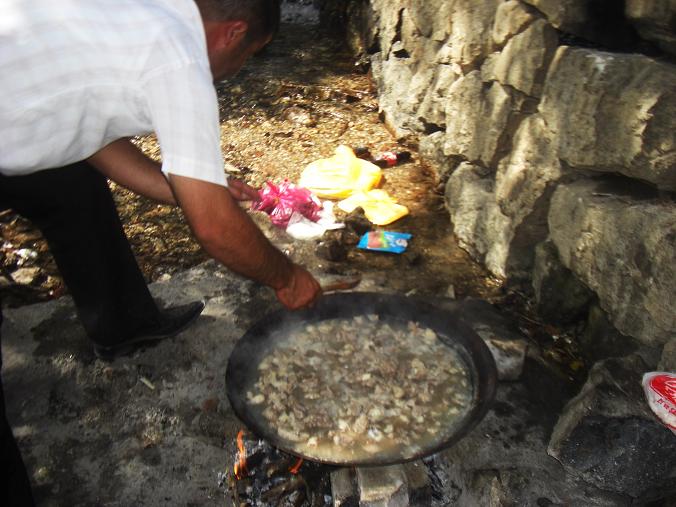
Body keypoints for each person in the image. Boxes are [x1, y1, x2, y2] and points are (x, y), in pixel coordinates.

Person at [0, 0, 322, 504]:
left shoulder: (150, 12)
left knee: (74, 190)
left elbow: (91, 139)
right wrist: (288, 278)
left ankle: (123, 323)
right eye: (249, 55)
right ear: (233, 32)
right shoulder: (178, 55)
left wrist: (194, 188)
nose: (240, 69)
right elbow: (214, 228)